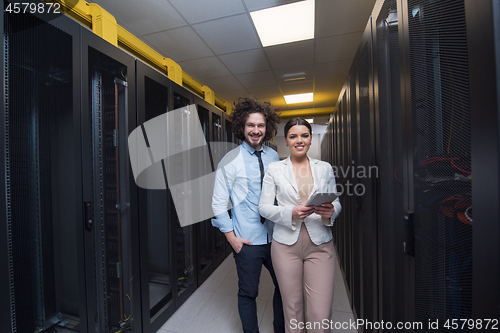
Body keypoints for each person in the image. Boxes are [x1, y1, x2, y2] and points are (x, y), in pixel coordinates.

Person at [258, 117, 342, 333]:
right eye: (293, 136)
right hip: (286, 245)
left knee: (321, 315)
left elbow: (336, 202)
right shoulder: (275, 169)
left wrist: (332, 210)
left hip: (321, 244)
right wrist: (290, 213)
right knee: (292, 310)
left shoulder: (324, 167)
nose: (299, 140)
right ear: (285, 140)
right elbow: (264, 207)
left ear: (310, 139)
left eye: (304, 135)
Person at [211, 96, 285, 333]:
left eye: (260, 125)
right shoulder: (229, 160)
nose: (256, 130)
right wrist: (232, 239)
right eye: (251, 125)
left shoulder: (274, 157)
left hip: (276, 239)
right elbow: (218, 204)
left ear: (267, 128)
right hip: (248, 241)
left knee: (284, 287)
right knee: (248, 293)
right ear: (242, 128)